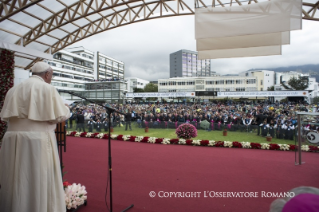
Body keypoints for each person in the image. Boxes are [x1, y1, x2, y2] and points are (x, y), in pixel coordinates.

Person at [0, 62, 70, 212]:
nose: (51, 78)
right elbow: (59, 116)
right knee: (36, 179)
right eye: (51, 75)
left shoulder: (13, 90)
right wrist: (67, 109)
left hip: (12, 140)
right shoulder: (48, 88)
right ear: (47, 74)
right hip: (36, 141)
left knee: (15, 180)